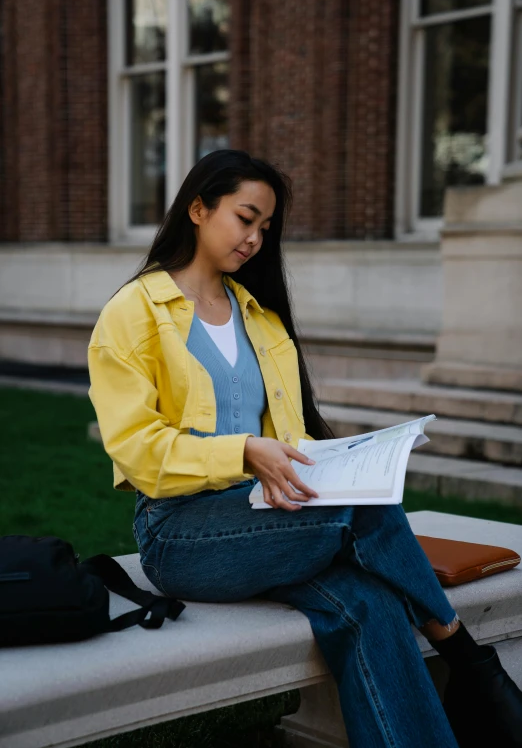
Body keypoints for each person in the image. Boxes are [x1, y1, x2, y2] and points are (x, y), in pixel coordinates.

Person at [88, 149, 522, 748]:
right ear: (197, 208)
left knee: (368, 605)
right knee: (356, 509)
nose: (255, 238)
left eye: (266, 227)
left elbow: (292, 439)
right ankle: (469, 660)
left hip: (273, 518)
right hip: (181, 535)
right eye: (245, 218)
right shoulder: (131, 313)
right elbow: (136, 449)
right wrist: (243, 452)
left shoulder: (260, 320)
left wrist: (357, 456)